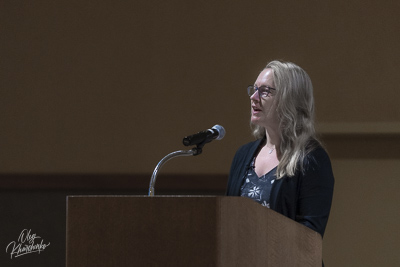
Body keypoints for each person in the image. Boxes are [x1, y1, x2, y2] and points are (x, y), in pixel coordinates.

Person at [226, 60, 334, 238]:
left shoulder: (312, 159)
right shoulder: (243, 154)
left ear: (290, 99)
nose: (253, 97)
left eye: (265, 91)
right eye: (254, 89)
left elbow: (310, 235)